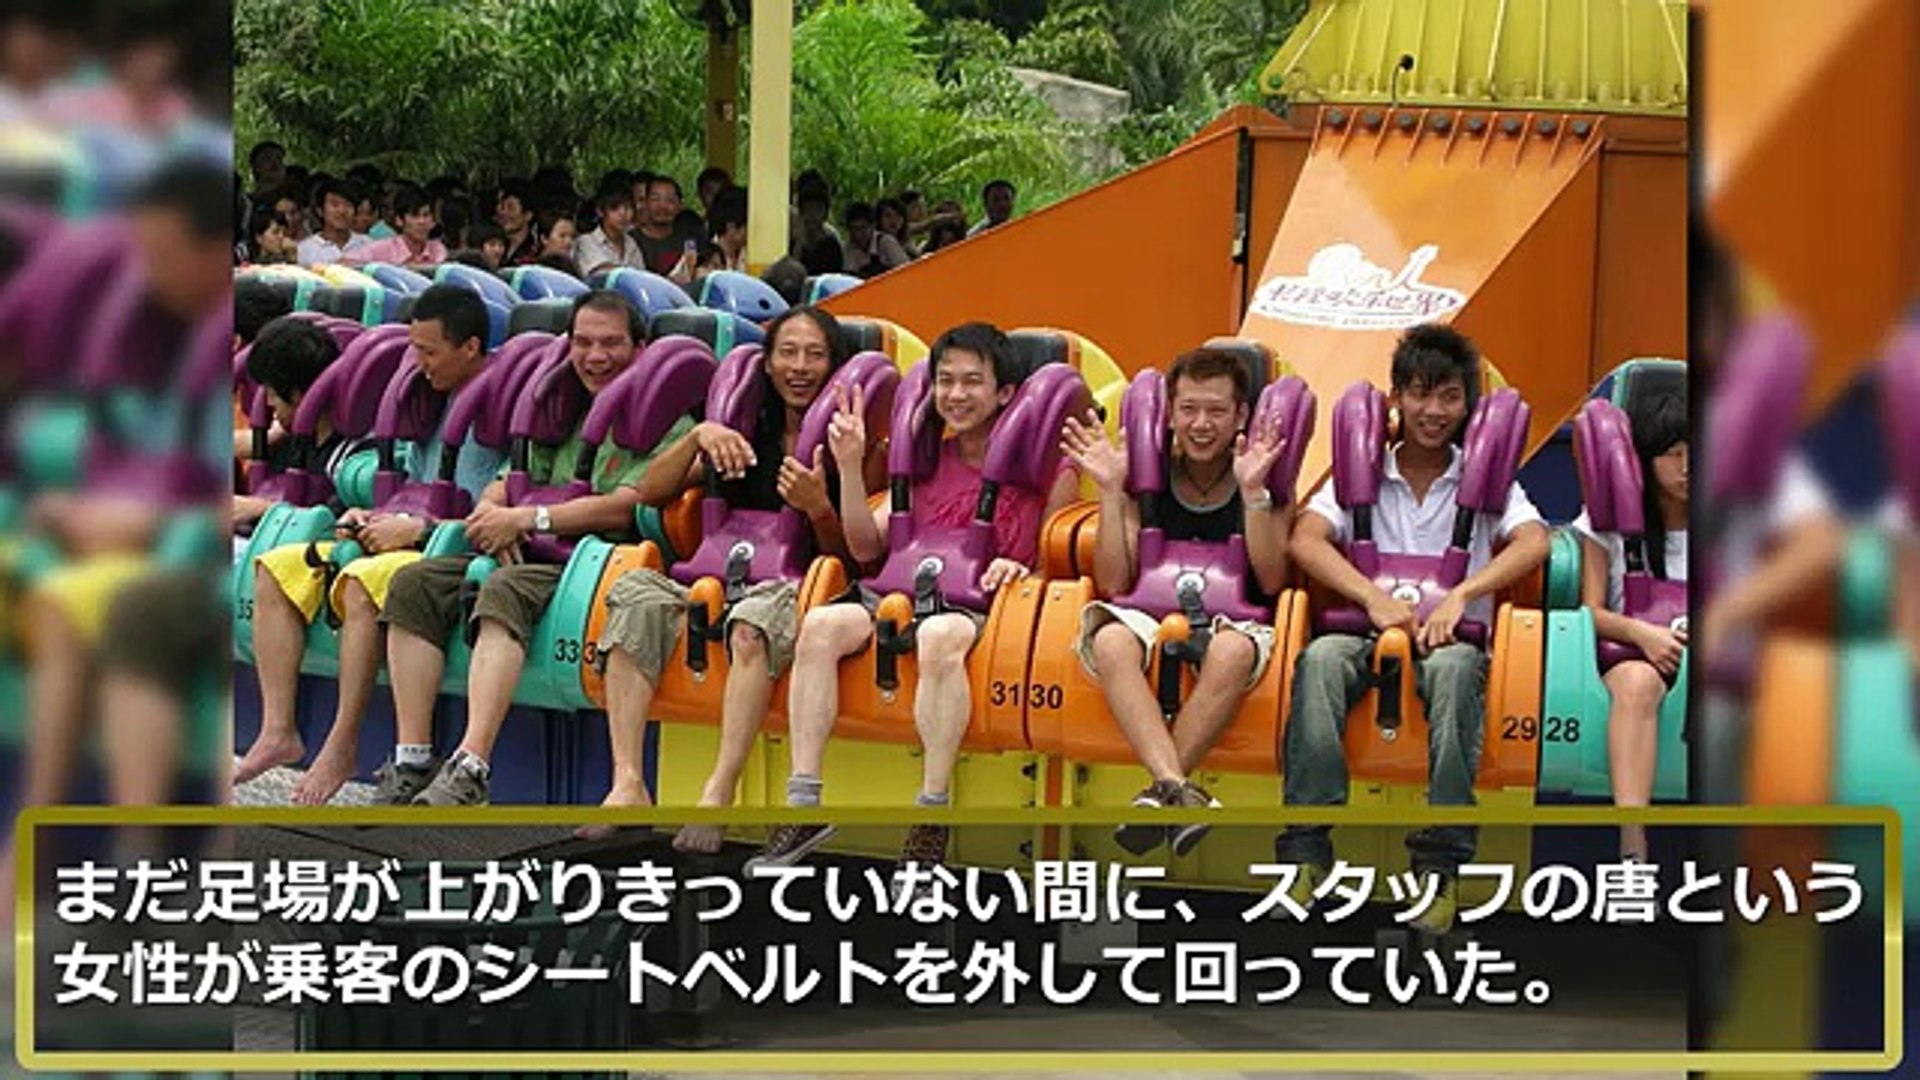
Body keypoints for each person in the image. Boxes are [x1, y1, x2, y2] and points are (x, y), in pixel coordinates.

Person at [749, 322, 1082, 874]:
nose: (955, 394)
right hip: (902, 591)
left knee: (939, 635)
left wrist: (1022, 568)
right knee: (821, 626)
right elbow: (865, 547)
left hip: (982, 607)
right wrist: (850, 467)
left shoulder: (1048, 471)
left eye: (971, 382)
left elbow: (1054, 561)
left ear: (1005, 393)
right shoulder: (923, 462)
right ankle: (804, 801)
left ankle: (932, 812)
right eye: (945, 381)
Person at [1275, 324, 1550, 935]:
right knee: (1320, 660)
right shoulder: (1362, 470)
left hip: (1450, 642)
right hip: (1365, 632)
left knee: (1454, 675)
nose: (1433, 411)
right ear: (1396, 396)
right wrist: (1370, 597)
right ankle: (1306, 849)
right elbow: (1305, 540)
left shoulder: (1487, 479)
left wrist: (1464, 595)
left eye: (1450, 396)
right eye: (1420, 394)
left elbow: (1535, 541)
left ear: (1468, 404)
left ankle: (1440, 866)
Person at [377, 291, 697, 806]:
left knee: (503, 589)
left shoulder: (669, 424)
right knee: (414, 584)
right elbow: (509, 480)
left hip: (594, 562)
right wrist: (490, 515)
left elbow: (625, 507)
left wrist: (529, 519)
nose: (595, 356)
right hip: (525, 548)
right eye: (583, 343)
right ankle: (412, 757)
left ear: (641, 349)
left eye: (611, 343)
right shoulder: (559, 409)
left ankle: (472, 764)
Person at [590, 307, 887, 849]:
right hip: (715, 573)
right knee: (633, 595)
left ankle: (719, 791)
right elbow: (648, 492)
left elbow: (857, 560)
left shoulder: (853, 443)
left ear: (835, 366)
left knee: (750, 625)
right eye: (787, 353)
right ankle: (627, 779)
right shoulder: (745, 428)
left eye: (815, 355)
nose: (800, 367)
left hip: (793, 586)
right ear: (766, 364)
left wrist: (818, 507)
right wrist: (699, 436)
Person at [236, 286, 502, 804]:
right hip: (403, 531)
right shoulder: (425, 398)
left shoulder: (499, 402)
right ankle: (278, 728)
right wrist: (372, 515)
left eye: (428, 352)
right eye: (414, 350)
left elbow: (490, 507)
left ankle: (342, 745)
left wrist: (416, 529)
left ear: (470, 347)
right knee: (277, 568)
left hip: (449, 546)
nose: (418, 363)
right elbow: (409, 480)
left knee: (359, 581)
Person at [1060, 348, 1293, 856]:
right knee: (1111, 640)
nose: (1201, 424)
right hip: (1149, 613)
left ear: (1241, 415)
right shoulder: (1147, 475)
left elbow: (1273, 579)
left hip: (1235, 621)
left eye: (1216, 411)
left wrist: (1254, 493)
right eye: (1188, 409)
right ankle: (1176, 790)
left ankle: (1162, 792)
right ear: (1169, 414)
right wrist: (1111, 491)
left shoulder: (1262, 473)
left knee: (1231, 651)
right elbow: (1113, 581)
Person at [1570, 387, 1688, 862]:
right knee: (1638, 684)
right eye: (1674, 454)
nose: (1687, 467)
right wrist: (1642, 633)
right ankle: (1632, 850)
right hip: (1635, 655)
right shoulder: (1607, 522)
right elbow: (1591, 613)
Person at [347, 187, 446, 268]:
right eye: (414, 215)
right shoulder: (382, 248)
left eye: (426, 215)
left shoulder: (437, 250)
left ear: (433, 221)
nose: (422, 222)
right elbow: (344, 263)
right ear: (399, 220)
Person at [632, 175, 702, 280]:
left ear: (680, 206)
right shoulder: (631, 241)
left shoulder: (688, 242)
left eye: (670, 200)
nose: (662, 206)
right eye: (655, 199)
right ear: (646, 203)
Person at [572, 185, 646, 276]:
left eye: (628, 208)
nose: (623, 214)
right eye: (614, 208)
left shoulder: (631, 243)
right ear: (600, 212)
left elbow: (642, 277)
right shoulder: (586, 241)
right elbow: (601, 274)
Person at [294, 178, 370, 266]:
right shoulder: (304, 249)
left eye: (348, 205)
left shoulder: (368, 244)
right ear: (320, 210)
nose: (342, 211)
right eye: (335, 204)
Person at [843, 201, 910, 278]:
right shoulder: (847, 249)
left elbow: (907, 271)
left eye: (863, 228)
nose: (858, 234)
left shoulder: (887, 243)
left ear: (873, 226)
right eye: (854, 229)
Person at [493, 179, 541, 266]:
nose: (503, 213)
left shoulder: (536, 252)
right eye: (502, 207)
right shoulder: (490, 245)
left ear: (528, 215)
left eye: (511, 208)